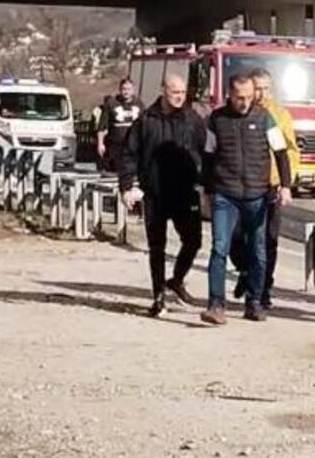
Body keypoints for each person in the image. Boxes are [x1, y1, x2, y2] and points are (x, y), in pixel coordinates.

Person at [202, 73, 293, 325]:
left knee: (258, 251)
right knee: (219, 248)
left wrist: (285, 186)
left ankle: (254, 302)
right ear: (229, 95)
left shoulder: (265, 118)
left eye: (249, 97)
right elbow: (208, 156)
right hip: (225, 193)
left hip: (256, 194)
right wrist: (207, 191)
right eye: (240, 98)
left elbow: (281, 153)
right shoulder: (216, 120)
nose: (245, 102)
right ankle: (216, 304)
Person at [120, 75, 206, 317]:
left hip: (184, 192)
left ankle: (177, 279)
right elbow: (129, 154)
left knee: (193, 241)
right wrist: (126, 186)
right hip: (155, 193)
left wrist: (204, 182)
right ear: (163, 91)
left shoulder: (192, 119)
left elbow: (204, 151)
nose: (179, 97)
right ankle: (158, 297)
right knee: (156, 247)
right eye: (174, 92)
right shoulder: (147, 120)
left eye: (182, 92)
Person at [230, 67, 299, 308]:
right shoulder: (240, 112)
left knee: (268, 240)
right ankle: (245, 270)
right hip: (243, 186)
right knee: (236, 237)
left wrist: (286, 183)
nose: (261, 94)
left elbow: (290, 151)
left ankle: (263, 288)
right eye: (257, 89)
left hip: (271, 185)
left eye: (266, 89)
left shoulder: (279, 115)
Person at [98, 79, 142, 175]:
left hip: (132, 146)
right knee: (112, 172)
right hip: (115, 145)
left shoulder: (139, 104)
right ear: (120, 89)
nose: (126, 92)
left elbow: (144, 126)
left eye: (129, 89)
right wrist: (100, 143)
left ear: (133, 90)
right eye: (124, 89)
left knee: (130, 172)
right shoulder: (111, 103)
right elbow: (102, 126)